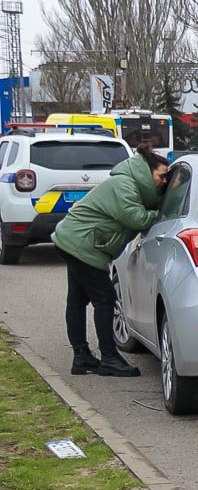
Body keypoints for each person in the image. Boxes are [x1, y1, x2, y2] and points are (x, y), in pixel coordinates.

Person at [52, 142, 168, 378]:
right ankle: (109, 358)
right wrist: (162, 213)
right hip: (82, 243)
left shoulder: (132, 184)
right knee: (105, 299)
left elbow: (139, 207)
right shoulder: (123, 184)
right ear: (147, 171)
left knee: (77, 300)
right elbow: (135, 218)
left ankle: (81, 357)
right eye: (162, 176)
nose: (164, 181)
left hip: (74, 239)